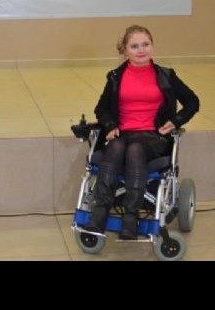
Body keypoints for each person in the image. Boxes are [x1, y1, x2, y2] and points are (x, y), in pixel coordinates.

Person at [84, 25, 200, 240]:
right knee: (117, 146)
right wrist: (109, 126)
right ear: (125, 51)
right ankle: (100, 213)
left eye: (145, 44)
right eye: (135, 46)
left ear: (152, 46)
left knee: (135, 148)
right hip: (123, 134)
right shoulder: (116, 76)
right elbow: (101, 109)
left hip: (153, 136)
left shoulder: (166, 75)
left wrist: (175, 121)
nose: (141, 50)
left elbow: (193, 102)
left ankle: (131, 216)